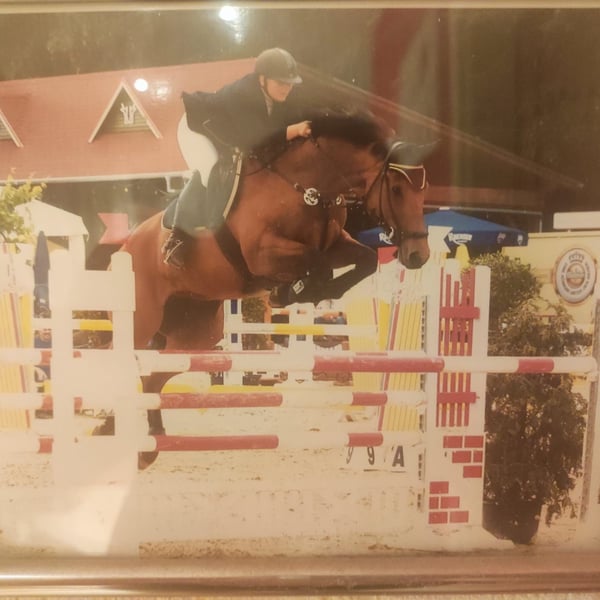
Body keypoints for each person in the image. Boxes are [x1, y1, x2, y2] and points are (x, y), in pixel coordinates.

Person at [163, 48, 313, 268]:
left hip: (227, 136)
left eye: (290, 83)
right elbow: (256, 140)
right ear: (262, 79)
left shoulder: (279, 97)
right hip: (195, 130)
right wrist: (295, 130)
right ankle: (177, 238)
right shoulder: (243, 94)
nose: (286, 88)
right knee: (210, 168)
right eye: (281, 82)